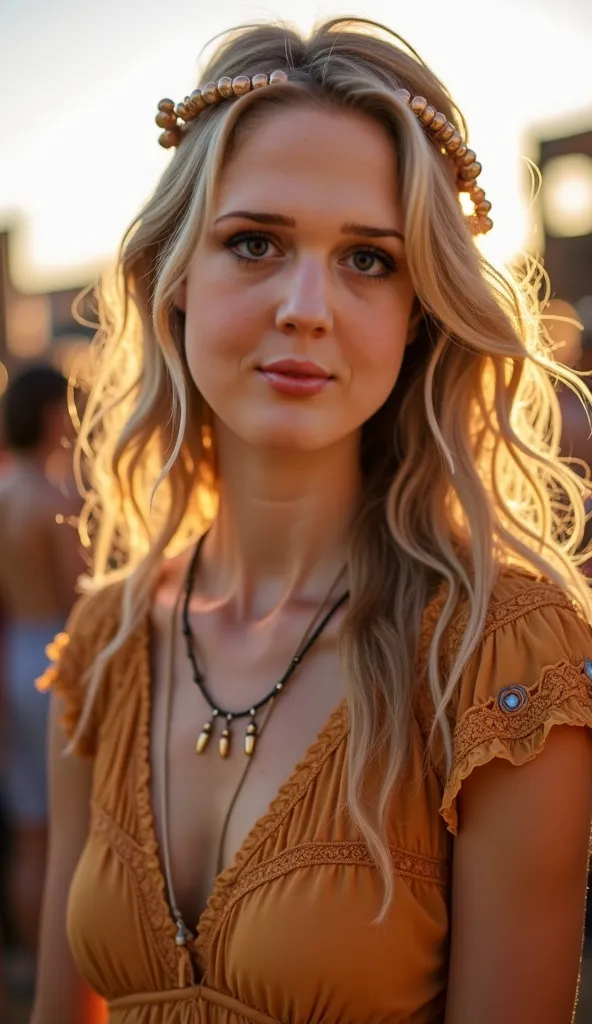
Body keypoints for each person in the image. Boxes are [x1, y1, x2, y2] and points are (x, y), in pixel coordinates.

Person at [32, 17, 592, 1024]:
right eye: (254, 242)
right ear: (174, 281)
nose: (306, 305)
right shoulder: (107, 646)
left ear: (418, 309)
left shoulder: (494, 656)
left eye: (368, 260)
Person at [0, 365, 82, 982]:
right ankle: (64, 966)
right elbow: (81, 601)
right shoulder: (55, 499)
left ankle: (30, 960)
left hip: (14, 651)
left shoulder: (6, 492)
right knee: (65, 824)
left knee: (30, 821)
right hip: (55, 656)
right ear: (50, 414)